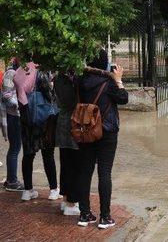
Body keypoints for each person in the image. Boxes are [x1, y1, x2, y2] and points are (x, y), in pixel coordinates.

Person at [77, 49, 128, 229]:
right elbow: (123, 98)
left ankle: (84, 214)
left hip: (86, 131)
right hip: (107, 131)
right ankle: (105, 217)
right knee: (104, 173)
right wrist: (119, 79)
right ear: (105, 62)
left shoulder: (80, 80)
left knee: (85, 171)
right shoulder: (109, 82)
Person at [14, 61, 60, 201]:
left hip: (26, 117)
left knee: (28, 154)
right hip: (43, 119)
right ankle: (53, 189)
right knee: (48, 154)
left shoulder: (20, 72)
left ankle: (28, 190)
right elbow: (50, 96)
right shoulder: (40, 73)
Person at [54, 72, 80, 215]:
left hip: (64, 122)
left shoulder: (60, 78)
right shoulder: (67, 80)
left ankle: (66, 199)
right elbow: (71, 101)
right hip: (71, 123)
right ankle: (71, 202)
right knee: (73, 165)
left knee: (66, 164)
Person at [0, 58, 24, 190]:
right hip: (14, 115)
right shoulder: (11, 73)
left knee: (15, 148)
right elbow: (7, 95)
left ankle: (11, 179)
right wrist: (20, 105)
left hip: (15, 115)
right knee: (15, 148)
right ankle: (12, 181)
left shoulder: (18, 71)